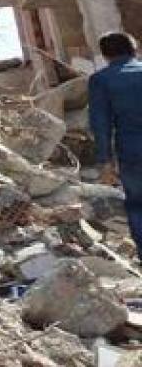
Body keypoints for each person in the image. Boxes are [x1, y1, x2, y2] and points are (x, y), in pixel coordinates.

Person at [89, 31, 142, 257]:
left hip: (132, 153)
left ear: (105, 55)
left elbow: (100, 124)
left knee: (137, 205)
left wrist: (105, 162)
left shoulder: (101, 80)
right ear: (134, 49)